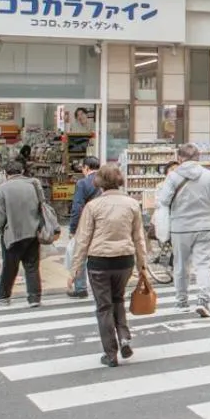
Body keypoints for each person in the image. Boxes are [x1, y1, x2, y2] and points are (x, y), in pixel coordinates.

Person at [69, 165, 149, 367]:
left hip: (100, 261)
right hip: (125, 259)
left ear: (99, 183)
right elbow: (139, 237)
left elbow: (83, 239)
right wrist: (142, 264)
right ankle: (124, 337)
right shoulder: (132, 204)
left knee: (104, 306)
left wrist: (75, 269)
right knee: (118, 299)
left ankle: (110, 353)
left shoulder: (93, 206)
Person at [156, 143, 210, 317]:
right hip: (205, 226)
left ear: (179, 158)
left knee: (180, 265)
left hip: (180, 228)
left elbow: (163, 201)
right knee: (203, 264)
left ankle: (182, 301)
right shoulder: (209, 176)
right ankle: (203, 300)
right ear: (198, 158)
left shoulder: (172, 177)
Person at [0, 159, 45, 307]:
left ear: (5, 173)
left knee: (9, 266)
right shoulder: (34, 185)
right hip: (33, 231)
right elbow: (42, 205)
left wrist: (2, 231)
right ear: (21, 171)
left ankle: (3, 296)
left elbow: (0, 217)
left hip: (12, 233)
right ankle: (34, 298)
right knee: (32, 266)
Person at [64, 156, 103, 299]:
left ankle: (81, 288)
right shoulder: (106, 182)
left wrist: (73, 229)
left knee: (80, 254)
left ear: (86, 168)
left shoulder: (83, 183)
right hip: (104, 224)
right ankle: (100, 285)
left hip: (87, 224)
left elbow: (77, 207)